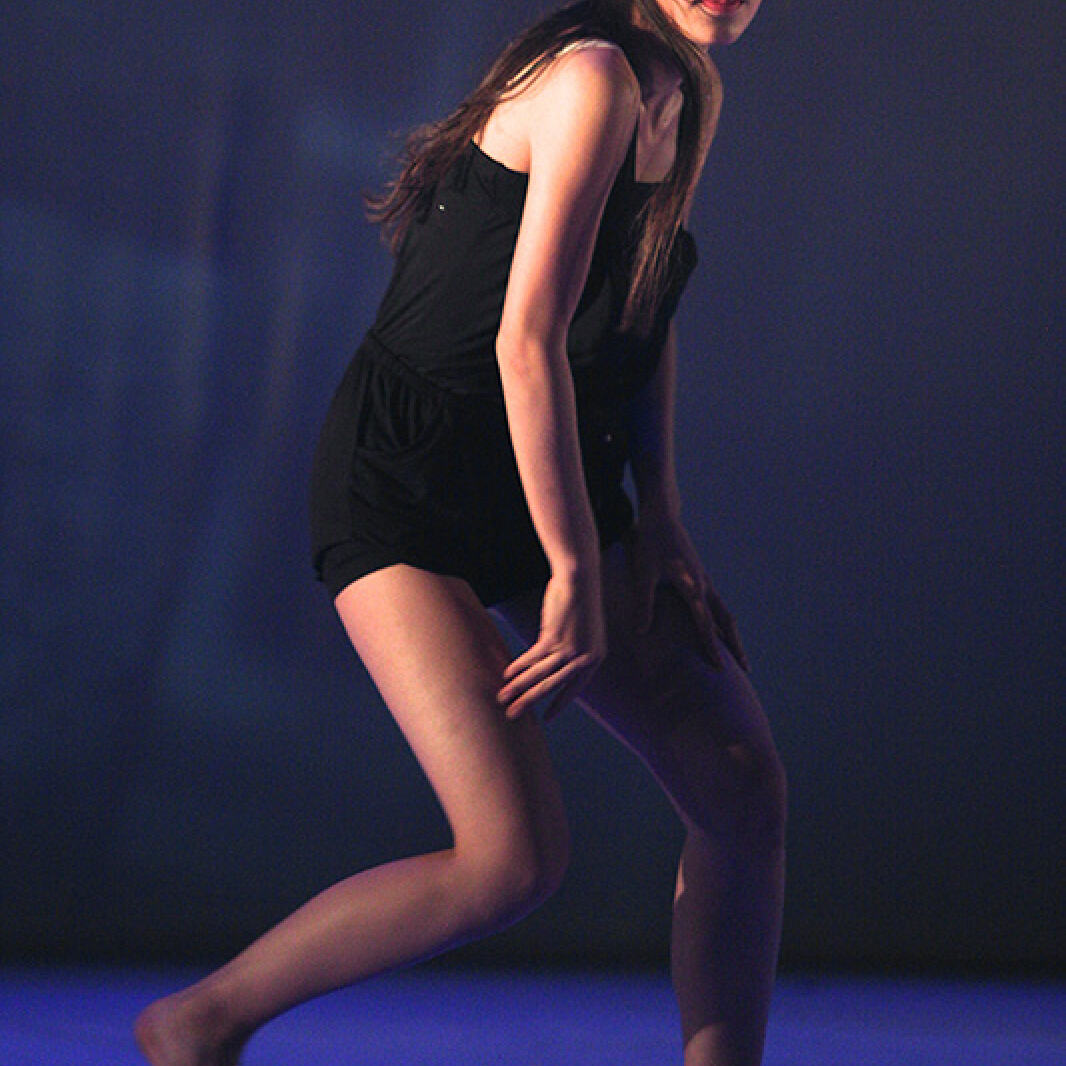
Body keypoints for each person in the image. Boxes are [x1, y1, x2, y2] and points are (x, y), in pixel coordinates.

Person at [134, 1, 785, 1063]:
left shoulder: (686, 92)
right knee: (510, 859)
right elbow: (525, 339)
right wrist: (574, 567)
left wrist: (660, 514)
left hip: (547, 463)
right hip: (411, 475)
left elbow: (640, 305)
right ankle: (200, 1020)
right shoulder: (593, 78)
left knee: (741, 785)